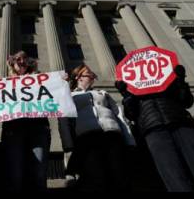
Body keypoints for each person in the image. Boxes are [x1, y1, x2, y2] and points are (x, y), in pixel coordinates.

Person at [115, 64, 194, 192]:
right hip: (153, 129)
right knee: (173, 174)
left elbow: (187, 101)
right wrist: (126, 95)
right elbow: (131, 114)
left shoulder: (169, 80)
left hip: (181, 123)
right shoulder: (132, 88)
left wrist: (181, 80)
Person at [58, 64, 136, 192]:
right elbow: (64, 119)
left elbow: (119, 115)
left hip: (112, 135)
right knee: (95, 175)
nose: (93, 76)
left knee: (119, 175)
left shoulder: (102, 93)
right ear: (79, 77)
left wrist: (129, 140)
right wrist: (68, 146)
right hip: (87, 138)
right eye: (90, 74)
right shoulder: (70, 95)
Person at [0, 50, 51, 192]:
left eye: (25, 59)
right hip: (14, 130)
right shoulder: (4, 83)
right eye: (18, 59)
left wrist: (63, 82)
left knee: (39, 173)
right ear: (12, 63)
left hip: (38, 129)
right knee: (15, 174)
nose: (22, 61)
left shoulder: (40, 79)